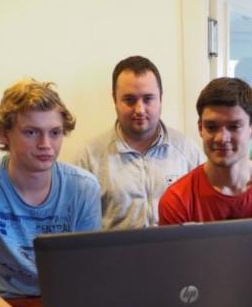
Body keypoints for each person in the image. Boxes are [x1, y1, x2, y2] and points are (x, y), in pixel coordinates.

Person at [0, 79, 101, 307]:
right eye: (31, 132)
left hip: (61, 302)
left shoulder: (84, 187)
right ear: (4, 134)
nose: (45, 144)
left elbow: (85, 275)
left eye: (55, 133)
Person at [75, 56, 204, 229]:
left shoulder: (188, 151)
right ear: (114, 99)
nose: (140, 109)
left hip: (175, 247)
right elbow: (79, 227)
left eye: (148, 98)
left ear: (160, 98)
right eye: (129, 100)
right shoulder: (89, 157)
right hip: (115, 248)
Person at [158, 78, 252, 224]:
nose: (221, 138)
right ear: (200, 128)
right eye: (211, 127)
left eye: (234, 127)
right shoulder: (177, 201)